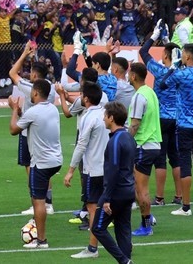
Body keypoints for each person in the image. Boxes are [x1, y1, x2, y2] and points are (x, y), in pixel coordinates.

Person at [9, 78, 62, 249]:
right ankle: (39, 229)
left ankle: (41, 240)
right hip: (56, 160)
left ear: (37, 92)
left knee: (37, 201)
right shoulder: (53, 109)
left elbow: (13, 130)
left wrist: (14, 111)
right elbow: (33, 122)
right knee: (40, 198)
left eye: (32, 91)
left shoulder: (33, 111)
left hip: (41, 163)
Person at [64, 82, 108, 260]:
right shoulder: (106, 115)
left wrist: (70, 170)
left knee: (92, 207)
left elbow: (81, 145)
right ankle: (123, 242)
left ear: (86, 99)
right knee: (109, 206)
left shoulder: (87, 118)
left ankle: (92, 248)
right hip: (108, 168)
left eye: (82, 94)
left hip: (93, 169)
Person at [139, 21, 182, 206]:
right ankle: (179, 195)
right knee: (176, 157)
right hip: (178, 118)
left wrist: (155, 35)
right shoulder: (182, 71)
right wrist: (167, 40)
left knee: (160, 159)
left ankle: (160, 197)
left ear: (165, 55)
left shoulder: (159, 70)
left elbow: (143, 53)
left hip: (161, 118)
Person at [10, 42, 55, 217]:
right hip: (45, 129)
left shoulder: (31, 88)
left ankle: (36, 201)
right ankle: (48, 202)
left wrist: (23, 54)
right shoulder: (48, 89)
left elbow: (12, 73)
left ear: (35, 75)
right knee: (44, 166)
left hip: (29, 132)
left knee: (31, 167)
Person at [167, 43, 193, 216]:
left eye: (183, 53)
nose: (182, 55)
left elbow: (163, 85)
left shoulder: (181, 74)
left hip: (185, 125)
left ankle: (186, 207)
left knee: (185, 162)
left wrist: (172, 67)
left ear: (188, 56)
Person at [92, 101, 136, 264]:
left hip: (116, 193)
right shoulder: (129, 137)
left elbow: (114, 170)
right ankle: (127, 260)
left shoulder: (115, 141)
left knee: (97, 227)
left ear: (111, 118)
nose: (103, 119)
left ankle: (124, 260)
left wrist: (107, 198)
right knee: (123, 229)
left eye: (105, 116)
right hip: (128, 191)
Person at [127, 63, 161, 237]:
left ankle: (146, 225)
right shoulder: (150, 92)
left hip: (143, 145)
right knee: (134, 185)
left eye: (129, 73)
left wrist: (124, 142)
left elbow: (135, 124)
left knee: (141, 189)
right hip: (152, 143)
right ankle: (148, 216)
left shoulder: (139, 96)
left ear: (133, 76)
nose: (127, 76)